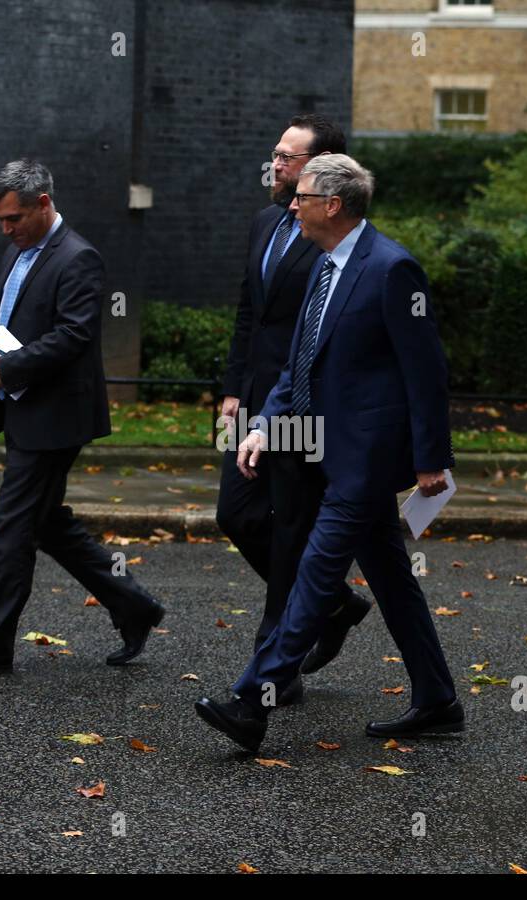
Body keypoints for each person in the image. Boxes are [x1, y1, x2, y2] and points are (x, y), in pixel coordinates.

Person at [195, 154, 461, 753]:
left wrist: (430, 459)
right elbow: (299, 362)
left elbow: (427, 373)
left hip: (365, 456)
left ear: (333, 205)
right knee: (391, 578)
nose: (292, 203)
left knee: (315, 573)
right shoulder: (323, 265)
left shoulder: (392, 269)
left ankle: (252, 700)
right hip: (319, 446)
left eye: (303, 196)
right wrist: (266, 426)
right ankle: (438, 698)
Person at [0, 159, 164, 677]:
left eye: (14, 218)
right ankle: (134, 605)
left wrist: (9, 369)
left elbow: (74, 335)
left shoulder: (78, 258)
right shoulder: (17, 251)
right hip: (22, 409)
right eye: (0, 219)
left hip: (57, 417)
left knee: (11, 527)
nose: (7, 228)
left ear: (43, 203)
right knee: (47, 523)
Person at [217, 115, 370, 699]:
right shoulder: (264, 222)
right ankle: (332, 604)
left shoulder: (338, 239)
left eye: (289, 157)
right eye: (275, 153)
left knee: (290, 530)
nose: (276, 164)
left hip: (303, 407)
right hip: (257, 399)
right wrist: (234, 389)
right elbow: (248, 313)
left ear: (325, 168)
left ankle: (271, 669)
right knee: (235, 514)